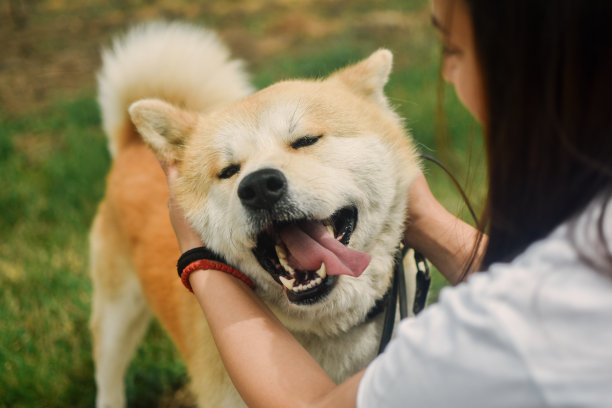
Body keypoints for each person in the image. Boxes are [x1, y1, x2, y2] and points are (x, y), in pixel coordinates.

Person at [160, 0, 612, 406]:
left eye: (451, 50)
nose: (447, 73)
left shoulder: (484, 332)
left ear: (525, 61)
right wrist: (426, 218)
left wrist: (197, 258)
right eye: (229, 172)